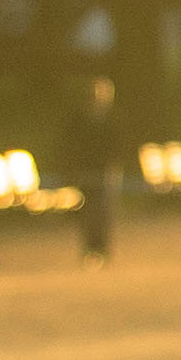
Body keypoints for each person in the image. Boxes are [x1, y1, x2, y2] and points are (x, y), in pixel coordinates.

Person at [71, 74, 125, 265]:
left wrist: (114, 167)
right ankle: (90, 249)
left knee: (104, 211)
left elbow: (119, 146)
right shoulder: (80, 118)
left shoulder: (113, 119)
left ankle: (103, 249)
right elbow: (72, 144)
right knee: (88, 212)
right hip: (86, 170)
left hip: (105, 171)